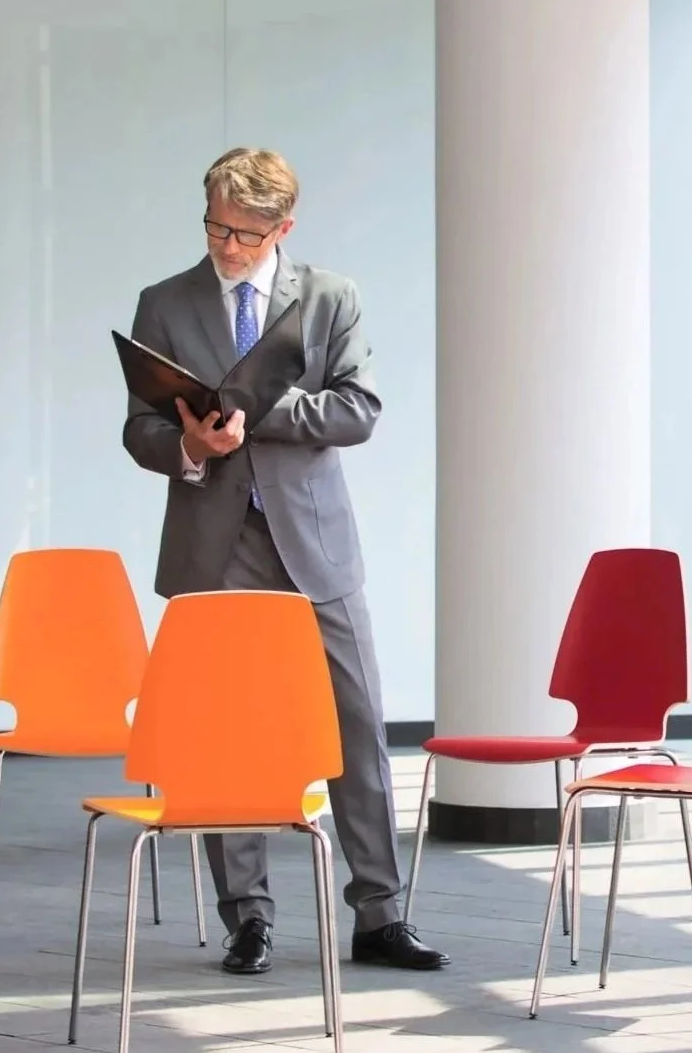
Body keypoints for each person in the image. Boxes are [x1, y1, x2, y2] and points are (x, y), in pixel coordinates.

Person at [121, 147, 448, 975]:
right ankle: (248, 919)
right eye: (215, 227)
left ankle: (380, 914)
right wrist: (191, 446)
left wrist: (257, 409)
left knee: (356, 723)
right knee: (225, 734)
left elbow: (359, 409)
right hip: (215, 544)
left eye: (245, 233)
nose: (227, 246)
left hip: (314, 544)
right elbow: (139, 430)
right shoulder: (164, 302)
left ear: (283, 228)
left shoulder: (331, 297)